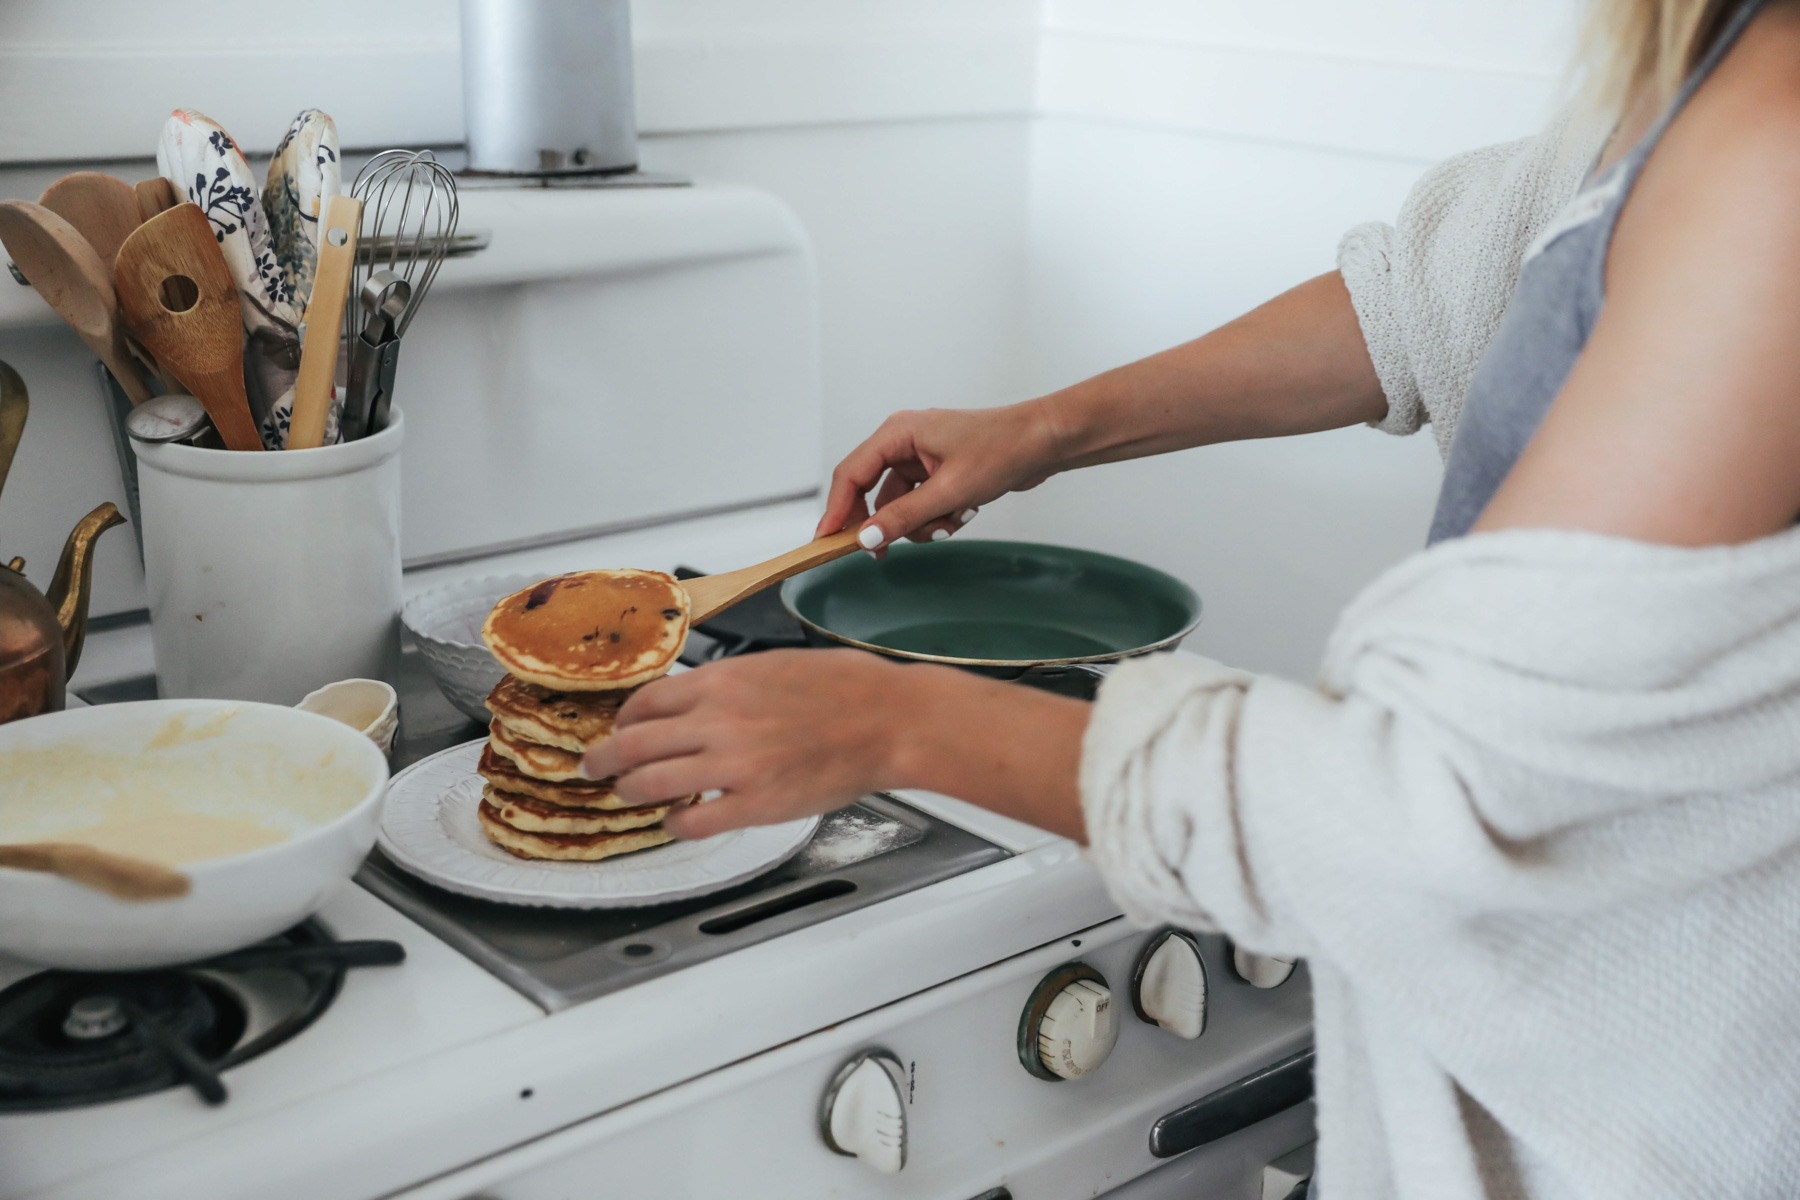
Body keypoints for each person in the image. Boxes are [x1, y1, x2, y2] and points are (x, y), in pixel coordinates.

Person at [585, 1, 1800, 1195]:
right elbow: (1445, 293)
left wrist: (899, 721)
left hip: (1621, 1117)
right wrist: (1045, 429)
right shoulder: (1712, 65)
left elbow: (1434, 811)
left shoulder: (1772, 145)